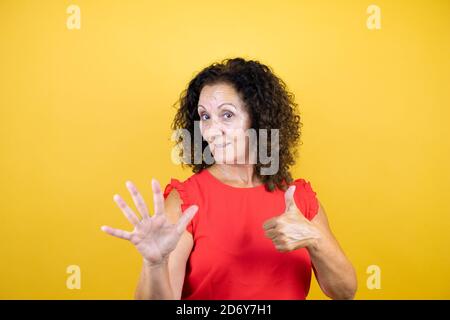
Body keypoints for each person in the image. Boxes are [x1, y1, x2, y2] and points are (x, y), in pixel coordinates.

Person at [101, 58, 357, 300]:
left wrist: (315, 239)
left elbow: (344, 291)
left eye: (227, 115)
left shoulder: (298, 198)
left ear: (258, 120)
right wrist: (154, 264)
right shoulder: (185, 202)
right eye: (205, 116)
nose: (212, 130)